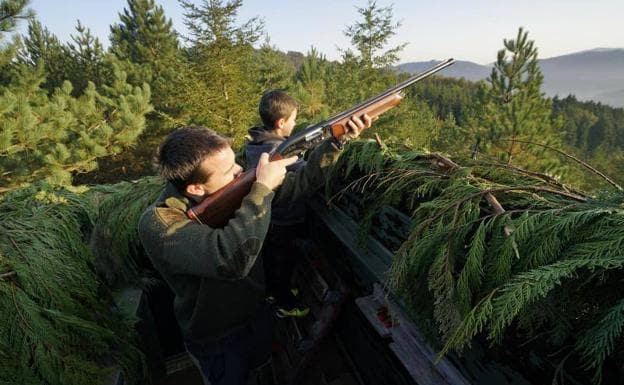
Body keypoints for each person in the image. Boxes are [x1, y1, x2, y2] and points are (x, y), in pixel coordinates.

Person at [138, 113, 371, 384]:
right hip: (218, 339)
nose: (239, 171)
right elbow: (230, 259)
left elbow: (301, 185)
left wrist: (336, 142)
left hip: (256, 316)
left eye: (235, 162)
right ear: (196, 188)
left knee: (264, 373)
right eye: (229, 171)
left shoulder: (230, 191)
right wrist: (261, 187)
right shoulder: (159, 223)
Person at [245, 90, 307, 318]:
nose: (296, 123)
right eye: (293, 119)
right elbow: (304, 176)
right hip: (283, 218)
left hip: (269, 217)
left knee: (274, 258)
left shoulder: (257, 143)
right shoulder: (275, 151)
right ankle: (284, 304)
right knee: (283, 260)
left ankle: (274, 292)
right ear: (281, 122)